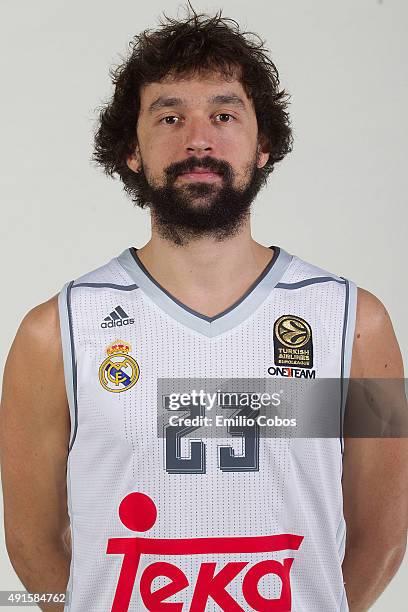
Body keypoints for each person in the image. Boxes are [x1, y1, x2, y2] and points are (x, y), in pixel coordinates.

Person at [1, 5, 407, 611]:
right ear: (131, 151)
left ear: (262, 142)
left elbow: (383, 532)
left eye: (223, 114)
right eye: (169, 116)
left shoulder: (356, 324)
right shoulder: (53, 333)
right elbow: (31, 542)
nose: (198, 138)